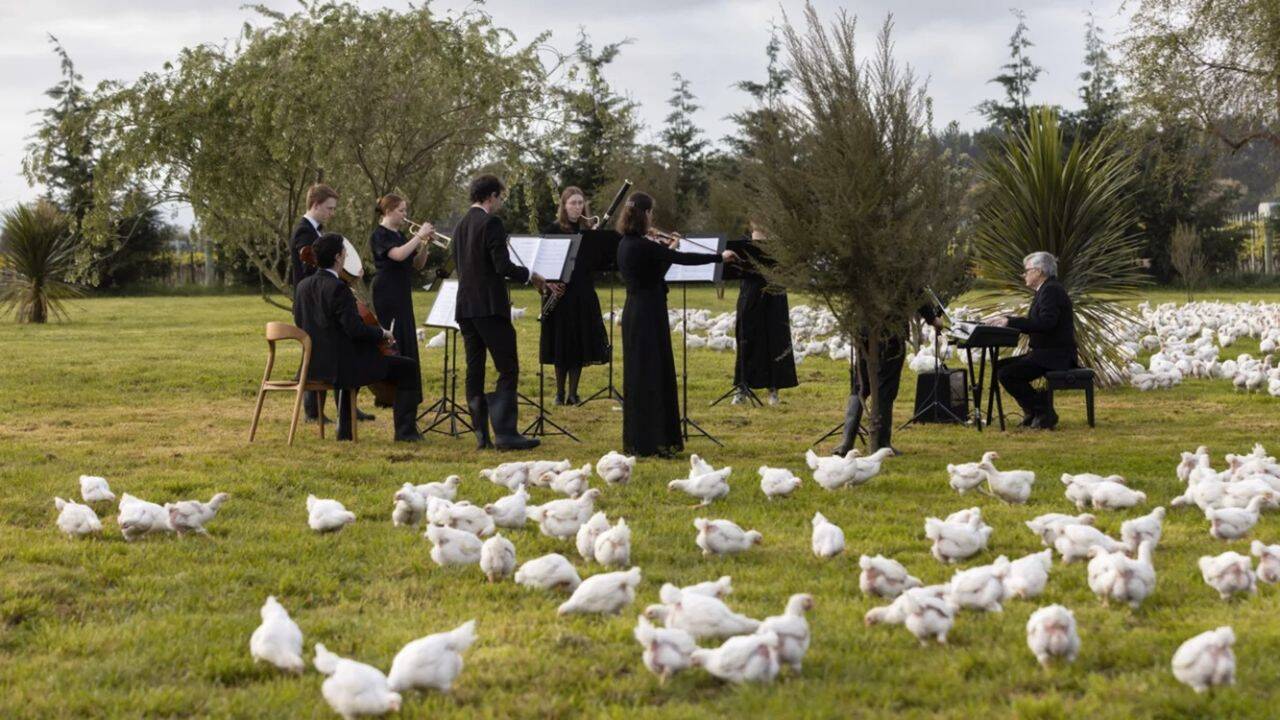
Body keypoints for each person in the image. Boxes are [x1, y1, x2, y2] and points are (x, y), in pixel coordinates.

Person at [616, 191, 738, 457]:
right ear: (646, 214)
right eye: (651, 213)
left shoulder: (627, 243)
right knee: (653, 375)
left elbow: (655, 272)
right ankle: (653, 440)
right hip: (647, 314)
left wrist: (666, 249)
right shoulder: (644, 245)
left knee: (643, 375)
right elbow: (685, 260)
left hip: (637, 311)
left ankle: (645, 439)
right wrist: (719, 257)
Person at [454, 174, 561, 451]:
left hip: (465, 307)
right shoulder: (491, 222)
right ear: (491, 196)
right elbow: (502, 266)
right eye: (500, 196)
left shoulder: (462, 224)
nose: (501, 202)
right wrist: (532, 276)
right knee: (508, 367)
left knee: (474, 369)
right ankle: (506, 433)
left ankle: (482, 438)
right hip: (489, 306)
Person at [292, 233, 424, 442]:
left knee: (348, 360)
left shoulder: (302, 286)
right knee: (408, 367)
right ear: (338, 257)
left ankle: (344, 431)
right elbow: (355, 330)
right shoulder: (337, 288)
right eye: (344, 252)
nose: (346, 255)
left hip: (313, 365)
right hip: (341, 367)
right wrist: (382, 333)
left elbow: (300, 322)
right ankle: (406, 432)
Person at [289, 183, 372, 424]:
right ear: (315, 205)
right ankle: (314, 411)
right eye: (329, 208)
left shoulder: (316, 231)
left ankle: (346, 407)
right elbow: (313, 268)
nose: (331, 213)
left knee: (337, 348)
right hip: (313, 301)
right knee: (319, 352)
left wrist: (348, 274)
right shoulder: (304, 232)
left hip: (320, 299)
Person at [832, 304, 943, 455]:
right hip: (891, 331)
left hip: (863, 329)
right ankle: (881, 444)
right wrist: (932, 319)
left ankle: (846, 443)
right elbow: (915, 291)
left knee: (860, 385)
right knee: (885, 388)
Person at [990, 251, 1077, 430]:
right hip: (1046, 353)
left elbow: (1046, 323)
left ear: (1038, 271)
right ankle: (1032, 411)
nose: (1024, 275)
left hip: (1055, 355)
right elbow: (1039, 322)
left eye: (1027, 270)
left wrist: (1011, 322)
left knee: (1007, 373)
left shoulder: (1051, 290)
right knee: (1000, 366)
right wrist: (1009, 321)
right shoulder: (1046, 289)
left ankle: (1043, 411)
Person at [540, 186, 610, 405]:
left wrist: (598, 240)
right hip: (559, 293)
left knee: (579, 342)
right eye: (573, 203)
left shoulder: (588, 231)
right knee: (561, 343)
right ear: (564, 206)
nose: (577, 207)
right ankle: (559, 393)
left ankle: (573, 393)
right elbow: (542, 262)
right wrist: (549, 284)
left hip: (582, 292)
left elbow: (598, 263)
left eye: (580, 203)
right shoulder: (552, 230)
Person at [370, 193, 434, 408]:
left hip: (401, 290)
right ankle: (388, 393)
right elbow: (397, 255)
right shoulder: (380, 234)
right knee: (393, 337)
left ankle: (408, 393)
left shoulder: (400, 236)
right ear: (388, 211)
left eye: (406, 211)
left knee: (406, 335)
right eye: (401, 210)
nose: (405, 215)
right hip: (386, 290)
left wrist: (425, 244)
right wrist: (418, 236)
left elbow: (417, 264)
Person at [731, 221, 797, 405]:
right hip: (750, 293)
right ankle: (742, 387)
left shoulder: (780, 244)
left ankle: (774, 389)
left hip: (774, 293)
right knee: (746, 336)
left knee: (775, 337)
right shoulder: (743, 243)